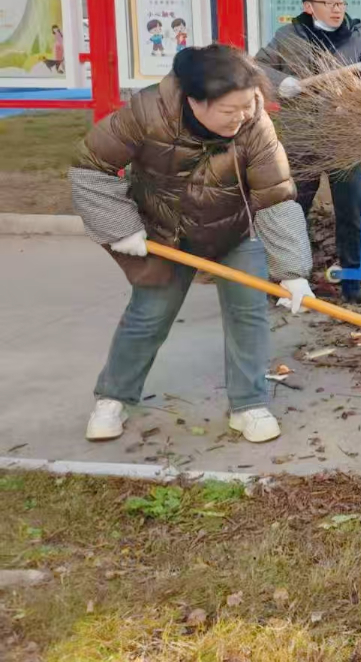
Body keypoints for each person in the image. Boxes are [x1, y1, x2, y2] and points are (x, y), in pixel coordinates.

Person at [69, 44, 314, 445]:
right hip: (166, 231)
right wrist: (121, 227)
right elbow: (89, 167)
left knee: (248, 314)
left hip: (236, 230)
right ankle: (113, 398)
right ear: (195, 101)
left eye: (248, 105)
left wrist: (292, 270)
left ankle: (249, 405)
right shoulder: (147, 112)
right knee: (148, 316)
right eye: (230, 110)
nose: (242, 117)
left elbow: (274, 195)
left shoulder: (254, 122)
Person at [256, 0, 361, 304]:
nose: (337, 9)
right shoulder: (289, 37)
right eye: (328, 3)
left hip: (344, 138)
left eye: (340, 3)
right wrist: (281, 81)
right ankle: (290, 278)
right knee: (294, 209)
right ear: (309, 6)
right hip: (302, 138)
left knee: (351, 210)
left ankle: (352, 279)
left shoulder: (358, 37)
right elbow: (257, 67)